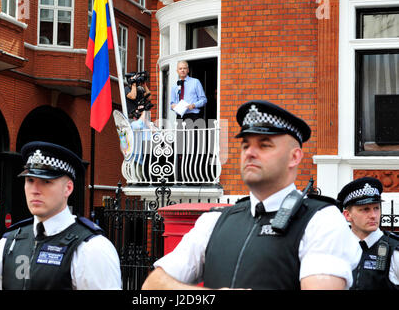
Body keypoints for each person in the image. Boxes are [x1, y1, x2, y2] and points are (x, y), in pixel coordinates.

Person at [142, 100, 360, 290]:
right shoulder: (214, 222)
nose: (250, 152)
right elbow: (153, 284)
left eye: (264, 145)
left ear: (294, 157)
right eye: (245, 145)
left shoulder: (321, 221)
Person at [0, 141, 122, 290]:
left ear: (68, 188)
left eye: (46, 181)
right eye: (30, 180)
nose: (34, 190)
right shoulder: (8, 243)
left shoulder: (91, 249)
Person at [338, 177, 399, 290]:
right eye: (365, 209)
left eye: (376, 208)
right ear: (347, 215)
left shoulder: (394, 251)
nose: (373, 215)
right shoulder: (337, 247)